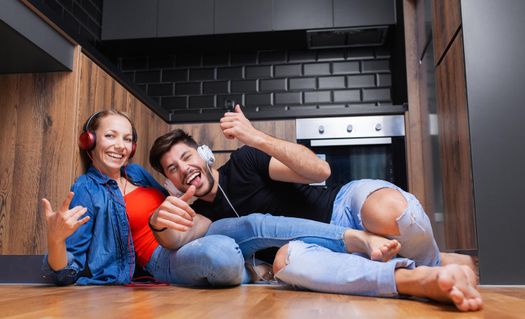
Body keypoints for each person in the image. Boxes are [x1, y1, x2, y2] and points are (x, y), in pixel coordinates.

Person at [147, 108, 482, 311]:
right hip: (313, 249)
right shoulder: (205, 216)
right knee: (285, 262)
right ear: (171, 181)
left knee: (388, 214)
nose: (183, 168)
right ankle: (422, 276)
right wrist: (159, 221)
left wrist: (256, 138)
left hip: (342, 210)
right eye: (172, 168)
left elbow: (319, 172)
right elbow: (179, 238)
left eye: (186, 157)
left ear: (203, 155)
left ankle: (436, 263)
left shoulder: (245, 162)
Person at [40, 109, 398, 287]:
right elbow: (63, 271)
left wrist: (187, 195)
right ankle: (250, 269)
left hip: (201, 230)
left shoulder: (136, 175)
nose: (119, 146)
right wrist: (56, 239)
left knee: (256, 223)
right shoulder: (86, 189)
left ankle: (352, 237)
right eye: (109, 137)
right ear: (90, 141)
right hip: (163, 257)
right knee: (223, 255)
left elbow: (172, 198)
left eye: (126, 138)